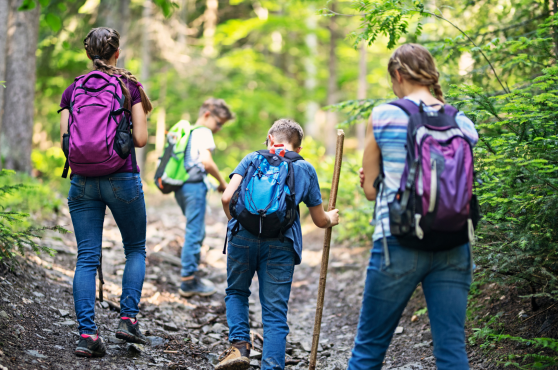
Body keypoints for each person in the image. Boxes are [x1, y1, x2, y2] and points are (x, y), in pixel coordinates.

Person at [348, 43, 479, 370]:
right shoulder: (461, 121)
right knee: (451, 351)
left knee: (368, 351)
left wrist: (371, 178)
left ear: (398, 74)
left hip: (398, 241)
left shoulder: (383, 114)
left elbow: (369, 191)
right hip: (455, 241)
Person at [59, 27, 152, 358]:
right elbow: (140, 140)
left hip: (81, 181)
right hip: (122, 178)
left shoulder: (73, 89)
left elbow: (66, 141)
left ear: (88, 54)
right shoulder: (130, 87)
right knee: (135, 250)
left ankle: (88, 335)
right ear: (117, 52)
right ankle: (127, 319)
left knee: (86, 257)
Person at [218, 119, 340, 370]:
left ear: (271, 138)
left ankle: (240, 347)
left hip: (242, 237)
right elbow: (319, 220)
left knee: (237, 292)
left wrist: (238, 223)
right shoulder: (304, 167)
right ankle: (272, 366)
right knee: (274, 312)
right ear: (298, 147)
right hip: (281, 243)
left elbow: (227, 197)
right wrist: (332, 218)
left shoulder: (252, 158)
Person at [176, 98, 233, 297]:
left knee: (193, 229)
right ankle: (188, 281)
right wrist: (222, 182)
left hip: (181, 186)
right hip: (194, 187)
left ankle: (189, 276)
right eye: (218, 123)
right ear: (207, 115)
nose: (218, 128)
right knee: (195, 232)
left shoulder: (190, 132)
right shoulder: (203, 132)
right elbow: (206, 161)